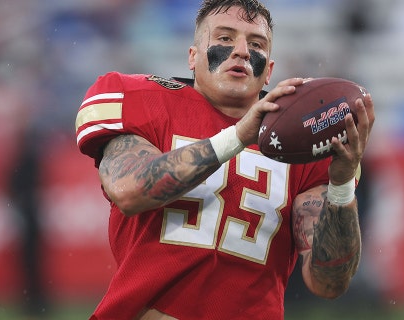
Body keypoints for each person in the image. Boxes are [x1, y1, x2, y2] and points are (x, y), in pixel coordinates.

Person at [74, 0, 376, 319]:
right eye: (224, 38)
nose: (242, 51)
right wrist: (236, 136)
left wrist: (341, 186)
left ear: (269, 71)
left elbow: (328, 283)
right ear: (193, 57)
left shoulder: (298, 145)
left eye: (256, 44)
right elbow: (131, 189)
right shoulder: (142, 100)